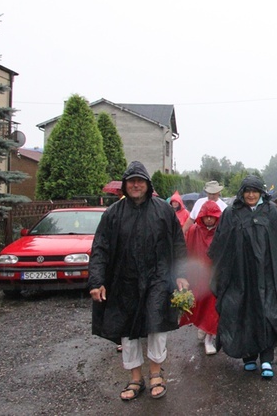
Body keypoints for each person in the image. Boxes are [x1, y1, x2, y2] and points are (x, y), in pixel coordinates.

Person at [89, 161, 189, 401]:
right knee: (127, 330)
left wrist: (181, 274)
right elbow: (100, 248)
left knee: (157, 326)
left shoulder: (163, 211)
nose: (136, 185)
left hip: (158, 279)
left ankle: (156, 374)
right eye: (131, 181)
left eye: (140, 181)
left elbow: (178, 244)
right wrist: (96, 281)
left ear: (147, 184)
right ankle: (135, 377)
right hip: (123, 281)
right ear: (125, 185)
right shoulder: (113, 214)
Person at [208, 176, 277, 379]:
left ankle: (267, 359)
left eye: (255, 191)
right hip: (240, 277)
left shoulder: (271, 212)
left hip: (267, 275)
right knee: (243, 313)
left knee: (267, 313)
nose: (251, 195)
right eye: (247, 191)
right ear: (242, 193)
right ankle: (249, 357)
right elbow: (221, 244)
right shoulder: (231, 213)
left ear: (261, 192)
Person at [181, 201, 222, 355]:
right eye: (207, 216)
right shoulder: (193, 231)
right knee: (199, 305)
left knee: (212, 308)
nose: (209, 220)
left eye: (212, 216)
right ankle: (203, 328)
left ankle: (209, 338)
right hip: (199, 275)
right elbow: (187, 251)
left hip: (215, 275)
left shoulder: (222, 231)